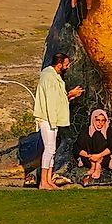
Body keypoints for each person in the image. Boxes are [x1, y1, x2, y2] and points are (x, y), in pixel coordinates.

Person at [33, 51, 82, 190]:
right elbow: (51, 100)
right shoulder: (49, 77)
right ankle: (43, 181)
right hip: (48, 117)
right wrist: (69, 95)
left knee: (52, 149)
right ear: (59, 64)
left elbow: (57, 99)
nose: (67, 67)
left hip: (52, 117)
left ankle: (48, 179)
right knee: (49, 149)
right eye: (66, 64)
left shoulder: (55, 77)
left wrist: (69, 96)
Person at [76, 108, 112, 184]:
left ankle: (98, 167)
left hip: (103, 158)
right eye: (98, 120)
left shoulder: (108, 130)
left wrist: (98, 156)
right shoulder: (86, 131)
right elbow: (76, 148)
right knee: (86, 137)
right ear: (93, 120)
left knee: (97, 135)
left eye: (103, 120)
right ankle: (93, 165)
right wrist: (90, 156)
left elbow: (111, 147)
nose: (100, 123)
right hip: (89, 159)